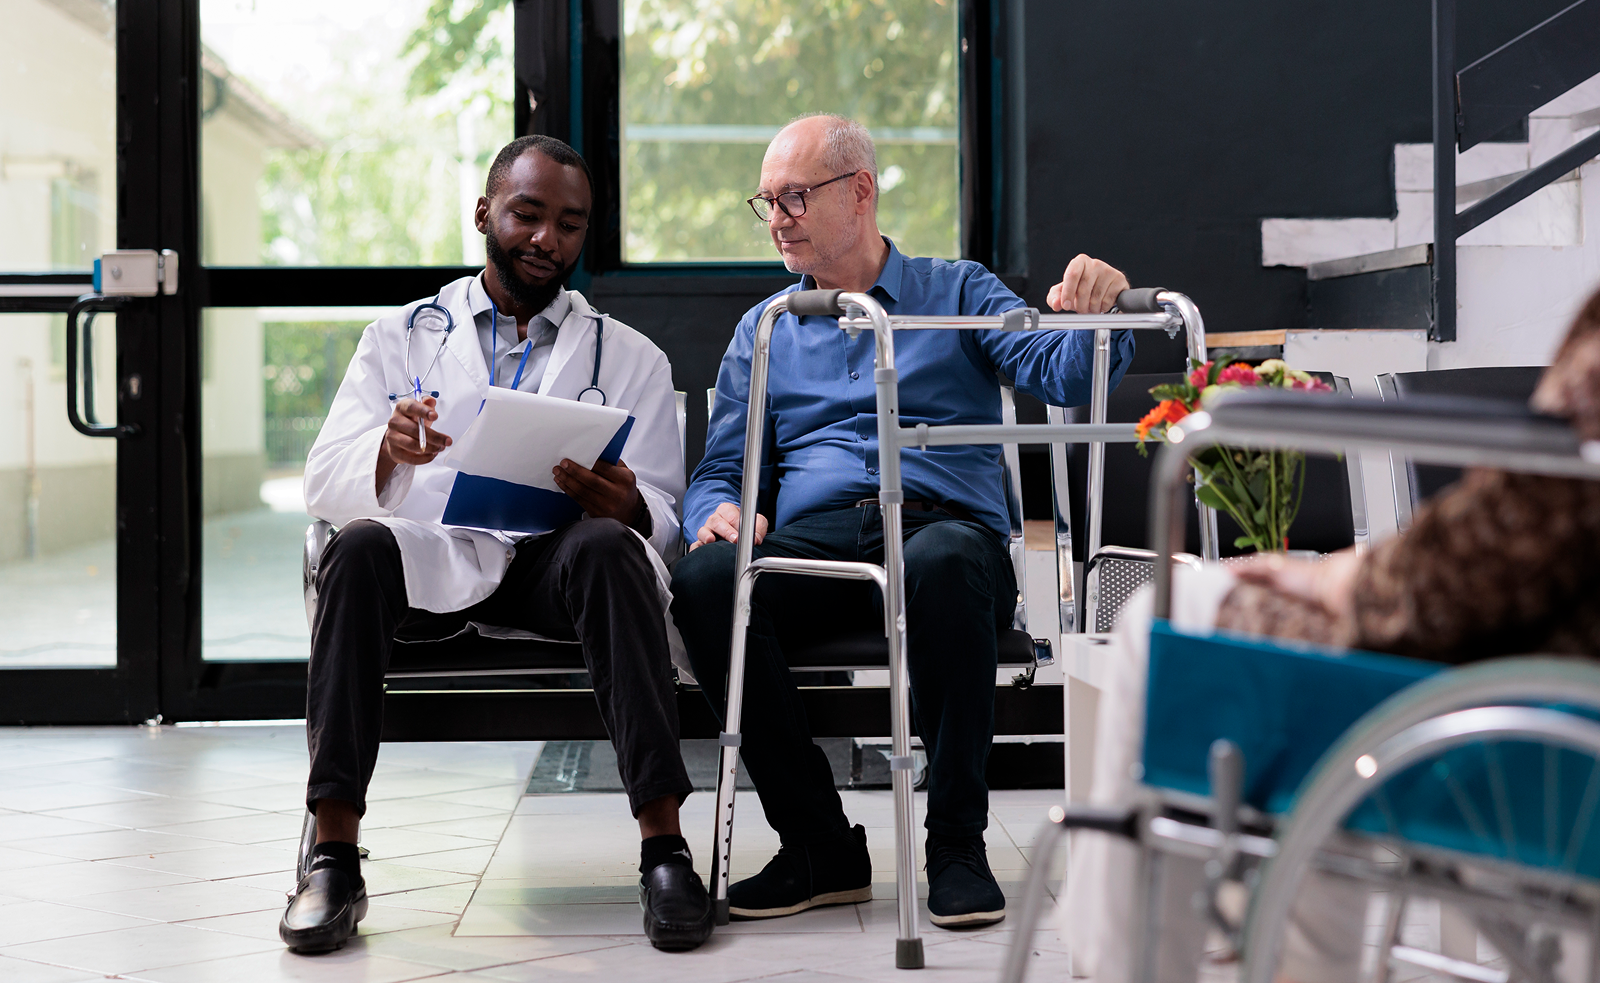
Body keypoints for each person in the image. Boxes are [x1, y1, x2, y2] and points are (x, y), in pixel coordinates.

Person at [668, 113, 1137, 929]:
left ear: (860, 192)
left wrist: (1093, 310)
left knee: (945, 562)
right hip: (821, 543)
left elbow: (1062, 375)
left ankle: (956, 843)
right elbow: (719, 469)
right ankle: (818, 844)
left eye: (795, 198)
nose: (778, 219)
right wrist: (718, 512)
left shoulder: (958, 292)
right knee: (707, 580)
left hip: (943, 535)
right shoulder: (766, 329)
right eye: (767, 202)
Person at [1065, 285, 1600, 982]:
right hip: (1548, 691)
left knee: (1172, 612)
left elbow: (1530, 512)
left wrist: (1338, 580)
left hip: (1521, 720)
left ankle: (1125, 968)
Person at [280, 135, 713, 955]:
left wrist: (629, 506)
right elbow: (323, 476)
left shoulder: (629, 358)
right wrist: (388, 451)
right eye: (528, 214)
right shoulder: (401, 337)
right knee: (356, 549)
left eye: (570, 225)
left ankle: (665, 850)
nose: (548, 239)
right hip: (433, 556)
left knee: (610, 548)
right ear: (486, 213)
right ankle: (333, 855)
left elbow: (666, 513)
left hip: (558, 570)